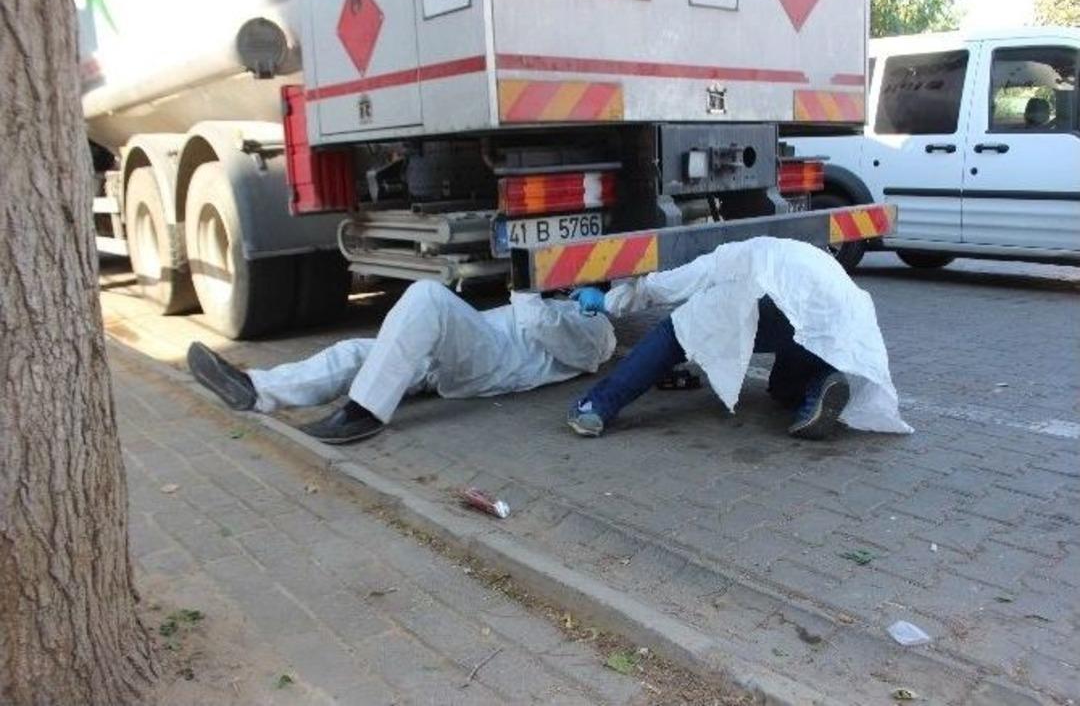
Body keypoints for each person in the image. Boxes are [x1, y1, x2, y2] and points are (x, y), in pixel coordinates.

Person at [566, 237, 912, 440]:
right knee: (781, 388)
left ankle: (596, 407)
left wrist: (607, 301)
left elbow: (663, 287)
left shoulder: (726, 257)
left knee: (674, 333)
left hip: (785, 311)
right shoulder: (796, 251)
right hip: (829, 321)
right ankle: (819, 384)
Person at [188, 280, 615, 444]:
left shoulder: (599, 327)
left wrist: (528, 281)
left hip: (494, 366)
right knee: (358, 351)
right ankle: (258, 390)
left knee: (427, 295)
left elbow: (538, 324)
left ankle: (366, 411)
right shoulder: (555, 303)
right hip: (458, 358)